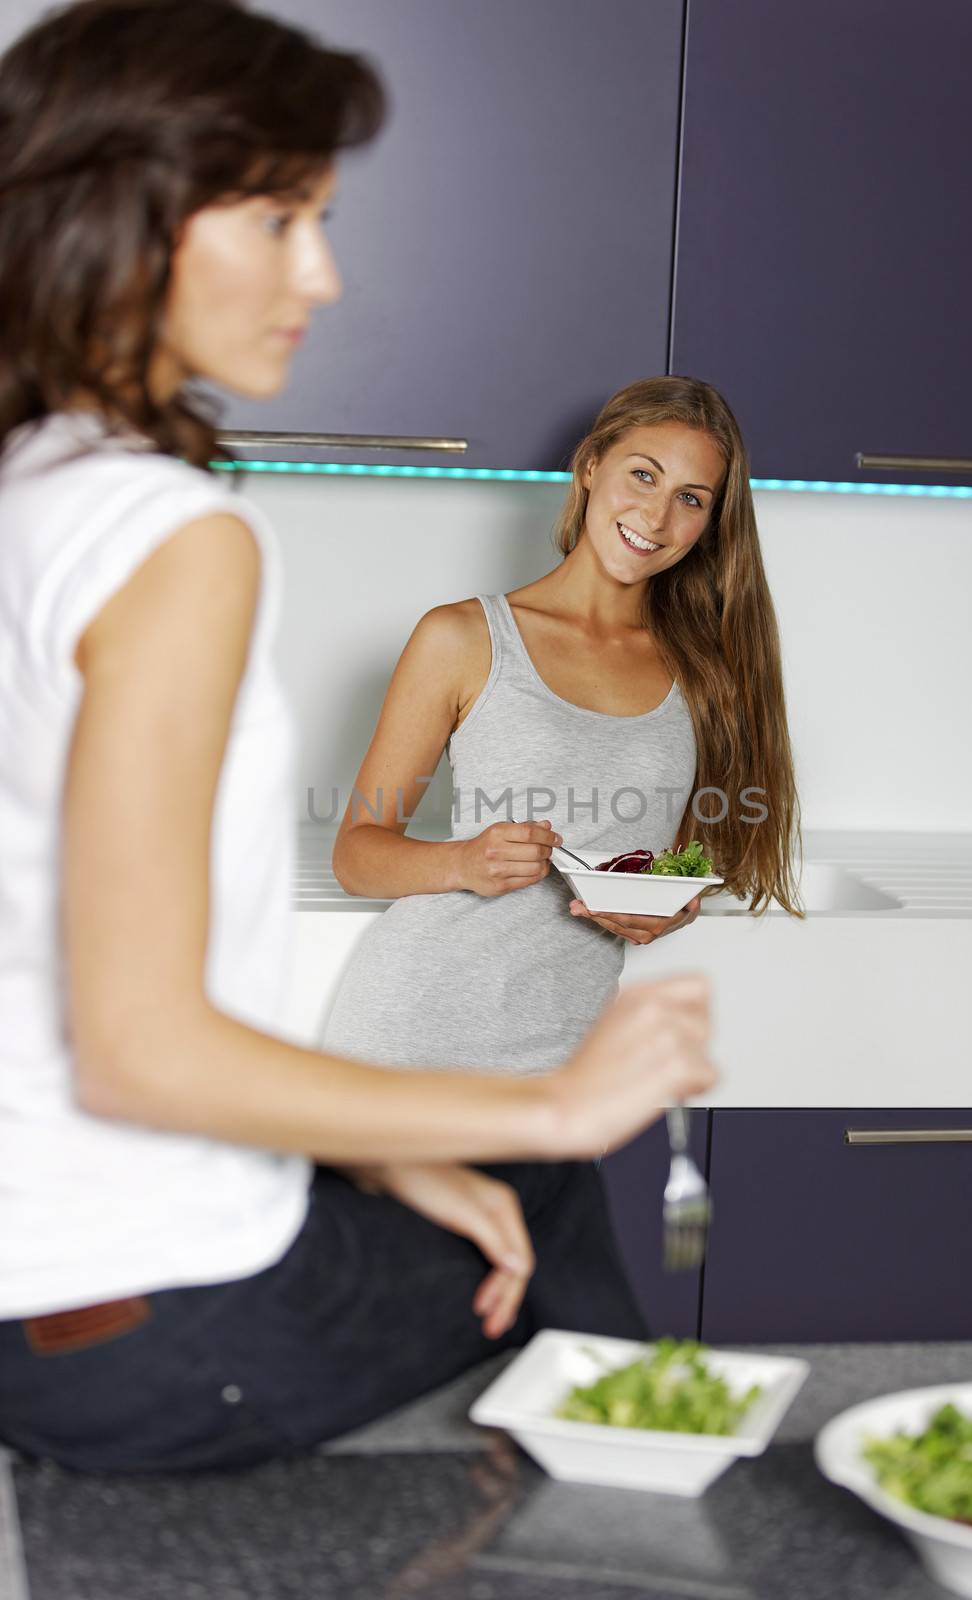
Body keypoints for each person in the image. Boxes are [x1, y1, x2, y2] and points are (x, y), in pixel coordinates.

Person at [0, 0, 716, 1477]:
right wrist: (559, 1098)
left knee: (491, 1188)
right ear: (124, 212)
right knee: (558, 1184)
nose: (321, 273)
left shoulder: (35, 486)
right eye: (277, 219)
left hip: (48, 1292)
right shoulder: (173, 537)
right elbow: (140, 1051)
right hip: (158, 1325)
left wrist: (387, 1144)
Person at [321, 373, 802, 1320]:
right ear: (589, 471)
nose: (655, 515)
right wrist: (460, 861)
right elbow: (358, 851)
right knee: (388, 1337)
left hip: (560, 1066)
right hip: (411, 1039)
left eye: (690, 498)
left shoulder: (703, 668)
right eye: (640, 475)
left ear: (711, 522)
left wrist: (666, 894)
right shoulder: (462, 637)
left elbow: (699, 855)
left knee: (553, 1340)